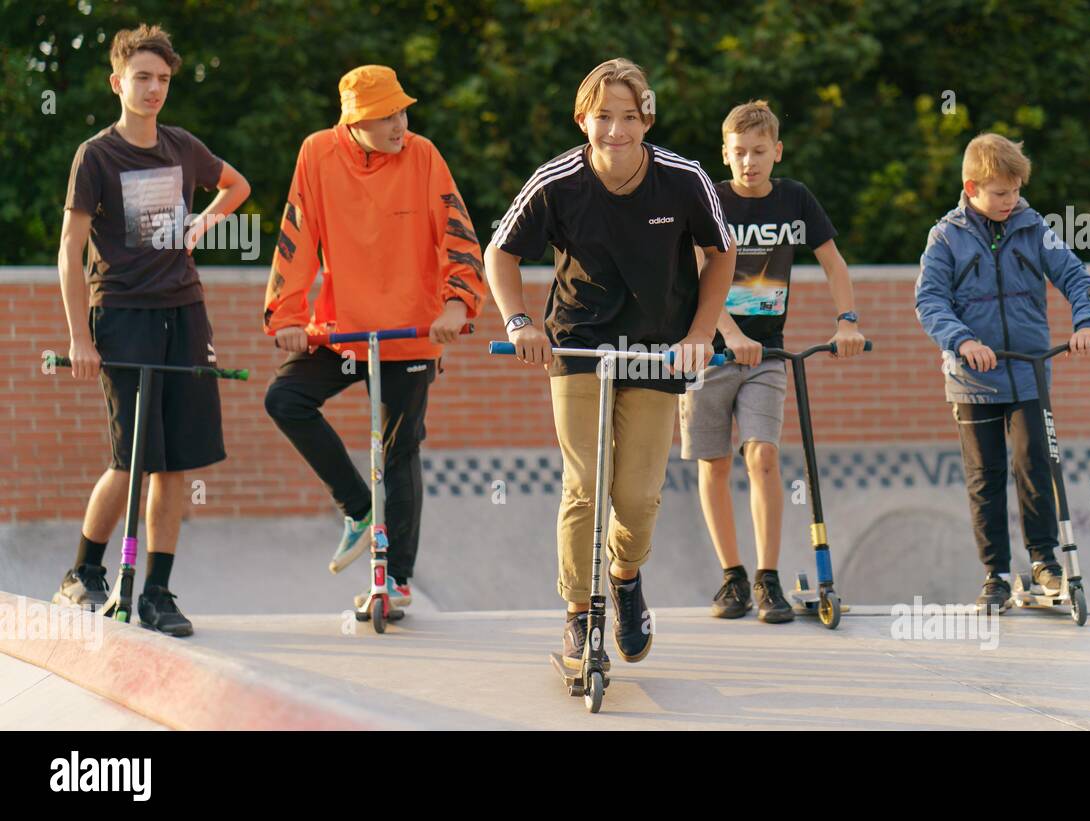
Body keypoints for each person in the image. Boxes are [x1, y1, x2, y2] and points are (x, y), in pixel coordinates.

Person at [485, 58, 736, 670]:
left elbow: (720, 254)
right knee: (584, 487)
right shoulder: (557, 182)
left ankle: (625, 580)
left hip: (657, 349)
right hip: (577, 346)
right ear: (582, 119)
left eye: (629, 117)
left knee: (638, 495)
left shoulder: (684, 180)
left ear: (646, 120)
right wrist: (519, 323)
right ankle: (577, 617)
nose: (616, 130)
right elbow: (501, 254)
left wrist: (701, 333)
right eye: (603, 116)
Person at [262, 65, 486, 609]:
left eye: (402, 111)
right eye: (385, 116)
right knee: (285, 399)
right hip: (345, 332)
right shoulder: (317, 153)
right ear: (355, 120)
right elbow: (297, 232)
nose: (399, 124)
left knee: (399, 449)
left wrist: (458, 304)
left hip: (411, 332)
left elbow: (455, 229)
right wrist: (286, 316)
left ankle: (397, 578)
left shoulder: (423, 154)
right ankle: (359, 506)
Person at [54, 24, 251, 637]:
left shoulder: (182, 146)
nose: (154, 89)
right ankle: (85, 571)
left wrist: (200, 227)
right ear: (118, 82)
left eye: (164, 79)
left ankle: (158, 591)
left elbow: (236, 186)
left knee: (177, 465)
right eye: (143, 77)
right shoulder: (97, 154)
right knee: (131, 457)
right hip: (122, 316)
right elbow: (69, 248)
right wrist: (78, 336)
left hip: (185, 313)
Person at [680, 100, 866, 623]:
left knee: (761, 456)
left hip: (767, 355)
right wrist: (731, 333)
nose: (748, 162)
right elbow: (699, 278)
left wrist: (847, 320)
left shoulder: (795, 200)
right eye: (738, 152)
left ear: (776, 152)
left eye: (759, 151)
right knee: (713, 463)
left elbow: (833, 264)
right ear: (724, 154)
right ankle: (731, 576)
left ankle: (767, 577)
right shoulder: (710, 202)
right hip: (710, 349)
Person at [914, 133, 1090, 611]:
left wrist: (1087, 321)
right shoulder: (946, 236)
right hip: (972, 377)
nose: (1011, 201)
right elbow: (930, 300)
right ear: (971, 185)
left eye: (1016, 191)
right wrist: (963, 341)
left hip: (1027, 373)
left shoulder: (1033, 226)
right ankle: (996, 572)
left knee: (1033, 464)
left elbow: (1074, 274)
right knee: (986, 475)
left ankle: (1043, 560)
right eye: (1001, 193)